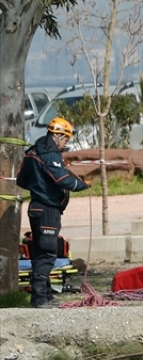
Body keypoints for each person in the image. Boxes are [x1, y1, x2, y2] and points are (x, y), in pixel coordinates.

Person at [16, 117, 90, 308]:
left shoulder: (32, 152)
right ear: (57, 135)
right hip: (47, 210)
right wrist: (82, 185)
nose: (66, 143)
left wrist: (38, 183)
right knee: (47, 254)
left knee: (41, 252)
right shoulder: (50, 154)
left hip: (36, 209)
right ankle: (39, 298)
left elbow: (21, 181)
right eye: (65, 139)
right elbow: (63, 179)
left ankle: (46, 295)